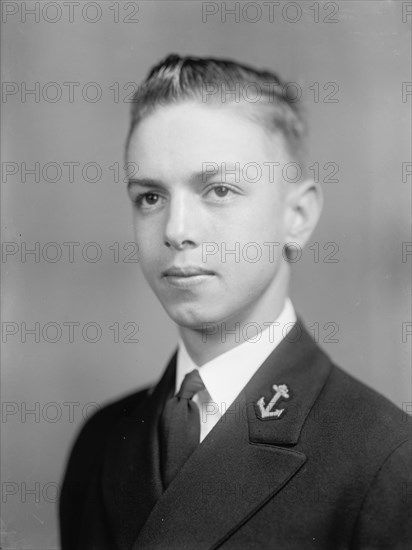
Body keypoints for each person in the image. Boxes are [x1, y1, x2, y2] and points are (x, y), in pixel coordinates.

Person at [59, 55, 411, 550]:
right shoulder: (101, 442)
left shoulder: (385, 462)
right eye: (150, 198)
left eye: (218, 190)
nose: (177, 231)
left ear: (298, 216)